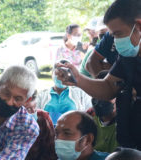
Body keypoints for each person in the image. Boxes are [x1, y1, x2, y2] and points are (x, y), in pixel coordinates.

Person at [55, 0, 141, 149]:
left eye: (119, 34)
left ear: (138, 26)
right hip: (131, 143)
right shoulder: (128, 57)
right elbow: (108, 87)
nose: (116, 40)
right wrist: (78, 79)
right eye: (113, 35)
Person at [36, 59, 92, 125]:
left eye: (65, 73)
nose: (61, 76)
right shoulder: (42, 95)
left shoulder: (80, 93)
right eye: (59, 72)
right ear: (52, 74)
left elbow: (89, 115)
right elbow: (36, 116)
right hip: (49, 133)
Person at [88, 70, 118, 153]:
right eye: (97, 92)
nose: (100, 98)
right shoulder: (88, 117)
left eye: (106, 94)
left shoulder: (127, 122)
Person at [25, 90, 58, 160]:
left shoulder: (42, 117)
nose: (34, 112)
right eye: (28, 109)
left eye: (35, 107)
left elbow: (50, 149)